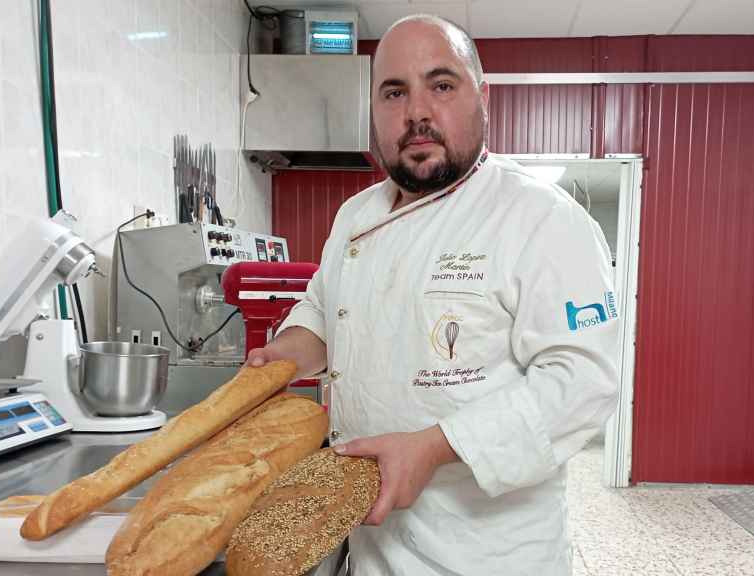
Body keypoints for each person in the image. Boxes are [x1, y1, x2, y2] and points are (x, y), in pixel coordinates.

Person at [247, 14, 619, 575]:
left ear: (481, 97)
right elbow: (325, 308)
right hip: (372, 541)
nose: (417, 111)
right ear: (373, 110)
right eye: (394, 92)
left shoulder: (541, 219)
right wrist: (286, 352)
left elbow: (582, 384)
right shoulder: (356, 216)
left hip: (486, 555)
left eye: (441, 85)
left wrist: (434, 447)